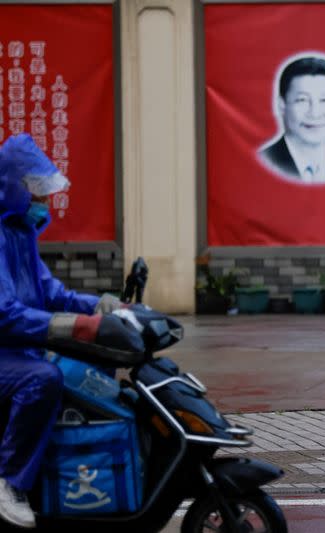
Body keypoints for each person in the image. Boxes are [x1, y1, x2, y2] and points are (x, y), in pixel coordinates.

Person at [0, 134, 142, 528]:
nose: (43, 201)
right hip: (6, 353)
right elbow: (5, 312)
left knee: (86, 371)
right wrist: (77, 325)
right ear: (14, 187)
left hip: (17, 349)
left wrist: (104, 306)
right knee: (42, 380)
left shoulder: (19, 234)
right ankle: (9, 481)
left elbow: (50, 292)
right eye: (36, 191)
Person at [257, 55, 325, 184]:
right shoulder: (262, 162)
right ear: (282, 105)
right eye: (302, 100)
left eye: (324, 100)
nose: (315, 113)